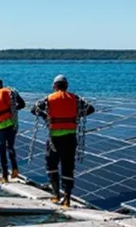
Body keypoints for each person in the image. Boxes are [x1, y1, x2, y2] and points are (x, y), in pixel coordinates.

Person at [31, 74, 95, 206]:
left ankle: (55, 194)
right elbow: (91, 109)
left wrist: (46, 117)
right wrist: (77, 116)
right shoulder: (75, 98)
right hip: (70, 138)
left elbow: (34, 109)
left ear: (54, 86)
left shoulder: (49, 99)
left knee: (51, 164)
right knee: (68, 166)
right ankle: (67, 198)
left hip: (55, 138)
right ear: (66, 86)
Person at [0, 76, 26, 183]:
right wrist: (12, 109)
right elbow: (22, 104)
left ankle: (4, 176)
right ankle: (15, 169)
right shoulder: (11, 92)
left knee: (2, 150)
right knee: (11, 147)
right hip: (12, 124)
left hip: (1, 127)